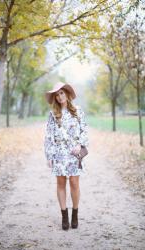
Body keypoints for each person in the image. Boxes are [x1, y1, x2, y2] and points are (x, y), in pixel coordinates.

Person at [44, 81, 89, 231]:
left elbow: (85, 130)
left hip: (74, 154)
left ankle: (75, 213)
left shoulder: (78, 111)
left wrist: (80, 144)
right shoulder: (52, 114)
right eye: (56, 95)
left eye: (61, 93)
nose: (59, 96)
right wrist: (49, 155)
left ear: (67, 94)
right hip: (59, 153)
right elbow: (49, 136)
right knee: (61, 183)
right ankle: (64, 216)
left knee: (75, 183)